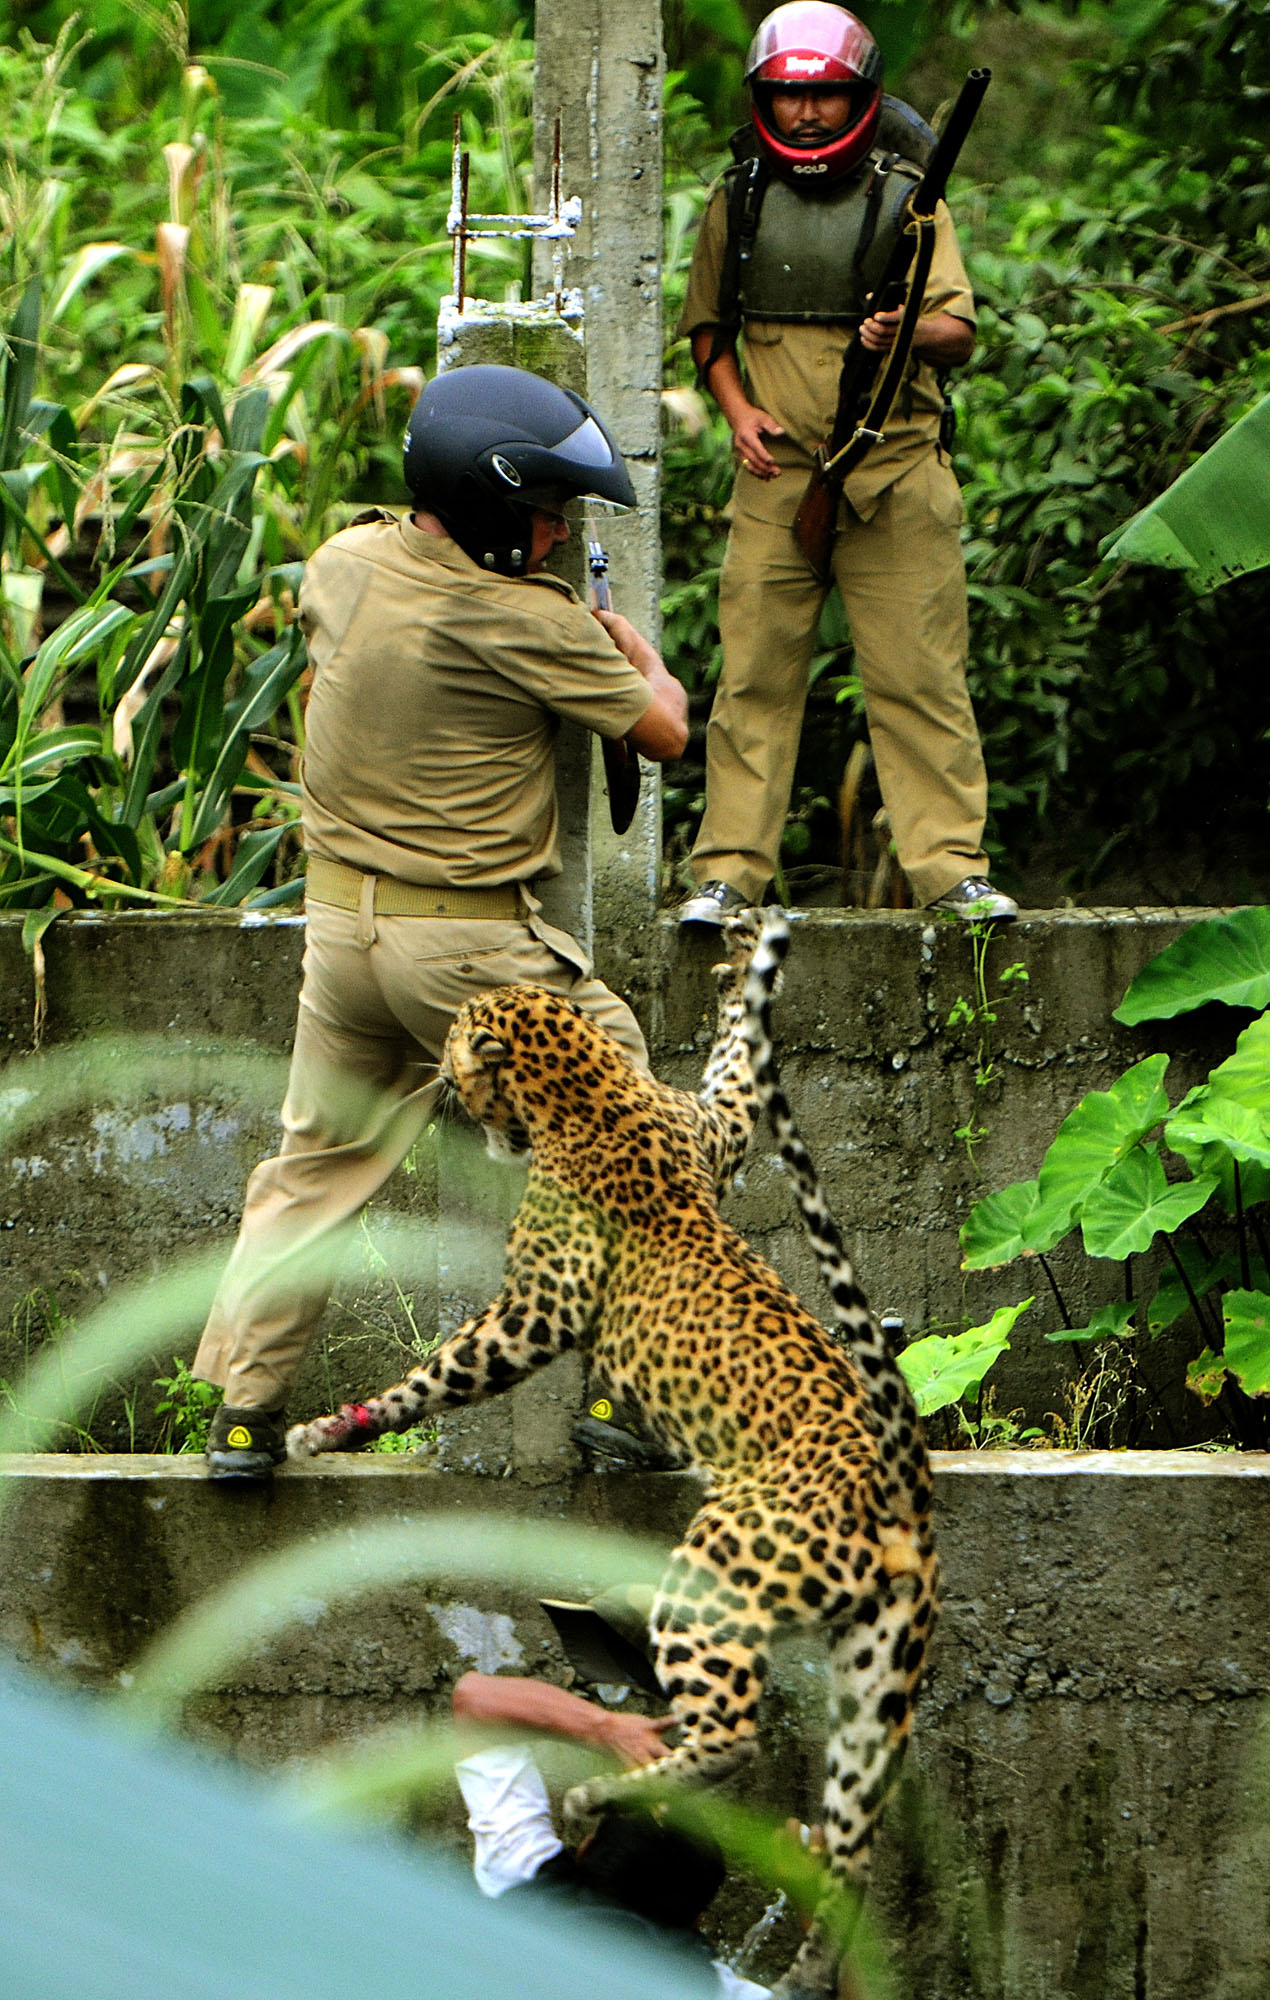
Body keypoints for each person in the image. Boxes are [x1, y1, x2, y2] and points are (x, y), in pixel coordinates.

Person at [194, 363, 688, 1479]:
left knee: (312, 1167)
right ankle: (628, 1397)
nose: (558, 534)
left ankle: (244, 1415)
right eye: (545, 511)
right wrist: (637, 655)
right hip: (470, 951)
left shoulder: (342, 563)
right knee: (639, 1128)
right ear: (490, 503)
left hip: (341, 935)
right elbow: (662, 731)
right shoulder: (527, 618)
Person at [675, 0, 1017, 929]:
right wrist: (739, 413)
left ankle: (952, 873)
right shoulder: (740, 198)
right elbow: (708, 329)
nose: (806, 114)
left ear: (859, 97)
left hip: (897, 471)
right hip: (778, 479)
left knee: (920, 681)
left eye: (825, 95)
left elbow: (958, 331)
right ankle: (727, 876)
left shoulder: (913, 198)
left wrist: (902, 330)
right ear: (764, 102)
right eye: (788, 97)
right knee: (753, 682)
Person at [452, 1668, 771, 1999]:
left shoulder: (519, 1878)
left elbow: (475, 1698)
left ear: (585, 1851)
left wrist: (606, 1729)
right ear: (697, 1920)